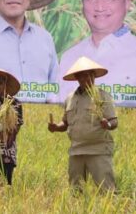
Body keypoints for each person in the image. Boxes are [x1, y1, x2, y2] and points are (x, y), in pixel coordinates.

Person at [48, 56, 118, 191]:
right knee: (76, 190)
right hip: (76, 151)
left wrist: (107, 125)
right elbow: (65, 123)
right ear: (77, 78)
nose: (87, 79)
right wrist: (56, 127)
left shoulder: (102, 96)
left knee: (106, 190)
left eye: (89, 76)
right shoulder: (70, 98)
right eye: (82, 76)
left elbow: (114, 121)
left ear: (94, 76)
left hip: (98, 150)